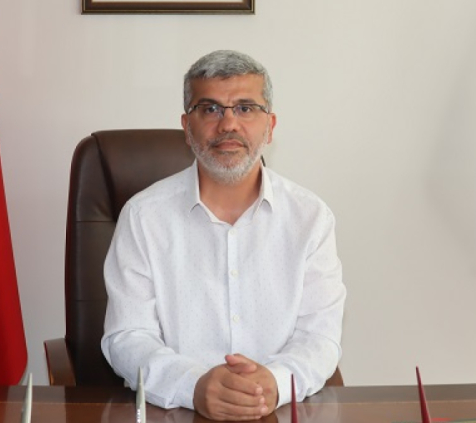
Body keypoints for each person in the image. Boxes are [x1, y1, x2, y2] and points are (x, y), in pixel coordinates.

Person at [102, 50, 346, 421]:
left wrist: (274, 383)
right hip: (174, 413)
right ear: (187, 127)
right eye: (210, 109)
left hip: (275, 412)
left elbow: (320, 337)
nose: (228, 123)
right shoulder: (142, 217)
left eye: (246, 108)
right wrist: (193, 385)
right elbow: (127, 336)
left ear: (270, 126)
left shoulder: (311, 218)